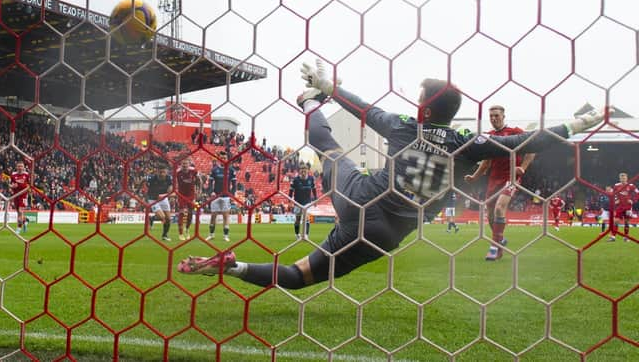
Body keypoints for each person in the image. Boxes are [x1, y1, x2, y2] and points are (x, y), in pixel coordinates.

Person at [178, 59, 608, 289]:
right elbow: (524, 144)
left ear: (423, 107)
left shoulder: (405, 126)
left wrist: (325, 91)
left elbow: (364, 109)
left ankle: (307, 102)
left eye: (417, 96)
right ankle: (232, 268)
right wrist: (575, 126)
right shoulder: (467, 142)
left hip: (359, 198)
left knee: (328, 148)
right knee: (298, 277)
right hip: (383, 237)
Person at [464, 105, 536, 261]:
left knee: (499, 208)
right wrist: (475, 177)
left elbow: (532, 149)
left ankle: (495, 248)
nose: (494, 118)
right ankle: (500, 240)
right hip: (494, 179)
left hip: (510, 177)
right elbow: (486, 162)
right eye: (491, 116)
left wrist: (522, 167)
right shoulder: (488, 136)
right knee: (489, 214)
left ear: (503, 116)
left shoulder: (515, 133)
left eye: (496, 115)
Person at [206, 151, 237, 242]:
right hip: (216, 195)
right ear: (219, 159)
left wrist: (232, 194)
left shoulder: (231, 170)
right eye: (221, 158)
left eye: (224, 158)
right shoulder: (214, 169)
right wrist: (211, 192)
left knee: (225, 216)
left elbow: (234, 184)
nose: (223, 159)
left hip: (226, 196)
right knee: (213, 216)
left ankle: (225, 236)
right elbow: (210, 183)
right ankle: (211, 234)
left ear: (227, 159)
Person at [144, 165, 173, 241]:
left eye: (164, 172)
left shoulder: (169, 178)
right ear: (157, 172)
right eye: (160, 172)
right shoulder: (151, 178)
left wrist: (164, 195)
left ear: (166, 172)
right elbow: (143, 180)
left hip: (163, 198)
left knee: (168, 219)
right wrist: (138, 190)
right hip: (153, 199)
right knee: (162, 217)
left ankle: (164, 235)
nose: (162, 174)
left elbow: (171, 191)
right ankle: (153, 218)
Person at [288, 165, 318, 239]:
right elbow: (291, 191)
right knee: (298, 219)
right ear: (299, 171)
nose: (303, 171)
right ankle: (297, 234)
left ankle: (306, 235)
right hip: (297, 202)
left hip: (307, 202)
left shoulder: (311, 178)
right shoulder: (295, 180)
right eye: (301, 169)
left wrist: (315, 199)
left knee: (307, 218)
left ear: (308, 170)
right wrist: (289, 202)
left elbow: (314, 190)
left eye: (305, 169)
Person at [175, 158, 201, 241]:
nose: (185, 165)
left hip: (191, 194)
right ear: (181, 164)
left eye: (186, 164)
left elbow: (199, 180)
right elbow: (174, 183)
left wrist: (199, 190)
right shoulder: (177, 172)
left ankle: (187, 229)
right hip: (181, 194)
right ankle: (181, 233)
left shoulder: (194, 171)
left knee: (190, 212)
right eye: (183, 164)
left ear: (189, 164)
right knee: (181, 212)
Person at [608, 172, 638, 242]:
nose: (623, 179)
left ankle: (626, 237)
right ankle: (613, 237)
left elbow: (637, 193)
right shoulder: (616, 185)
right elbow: (613, 194)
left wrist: (633, 200)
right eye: (621, 178)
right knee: (615, 221)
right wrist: (616, 200)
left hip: (628, 207)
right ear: (620, 178)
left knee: (626, 223)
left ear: (627, 178)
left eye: (624, 178)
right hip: (620, 207)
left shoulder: (631, 186)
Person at [9, 161, 30, 235]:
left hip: (23, 195)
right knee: (18, 213)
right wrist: (12, 186)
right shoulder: (13, 175)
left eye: (21, 166)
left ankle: (18, 228)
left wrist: (27, 188)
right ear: (16, 167)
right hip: (16, 196)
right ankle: (26, 221)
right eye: (19, 166)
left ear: (24, 167)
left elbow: (30, 185)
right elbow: (10, 185)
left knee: (21, 211)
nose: (20, 168)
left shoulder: (27, 175)